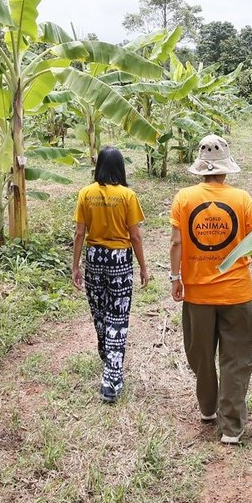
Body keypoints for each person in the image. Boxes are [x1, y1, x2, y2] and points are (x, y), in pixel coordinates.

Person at [170, 134, 252, 444]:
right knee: (237, 358)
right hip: (237, 294)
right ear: (226, 168)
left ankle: (207, 407)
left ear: (201, 168)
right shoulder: (242, 199)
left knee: (200, 355)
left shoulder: (184, 198)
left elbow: (176, 242)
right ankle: (230, 427)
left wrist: (175, 278)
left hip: (198, 295)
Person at [72, 146, 149, 402]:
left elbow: (80, 233)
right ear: (120, 167)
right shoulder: (127, 196)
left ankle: (108, 355)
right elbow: (135, 235)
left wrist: (76, 266)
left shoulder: (85, 193)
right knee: (118, 317)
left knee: (100, 312)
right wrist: (143, 267)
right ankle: (111, 378)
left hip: (94, 258)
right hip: (119, 261)